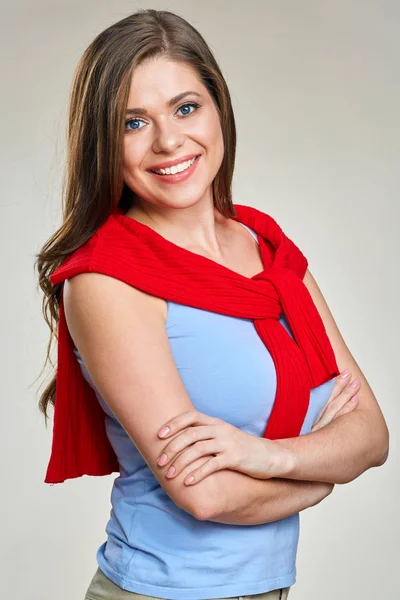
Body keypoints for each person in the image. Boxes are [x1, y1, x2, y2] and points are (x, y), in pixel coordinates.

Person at [34, 9, 389, 600]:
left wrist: (263, 457)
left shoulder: (266, 247)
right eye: (133, 122)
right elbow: (207, 496)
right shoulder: (106, 280)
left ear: (218, 107)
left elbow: (371, 434)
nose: (169, 140)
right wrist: (322, 477)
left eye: (186, 107)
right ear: (105, 140)